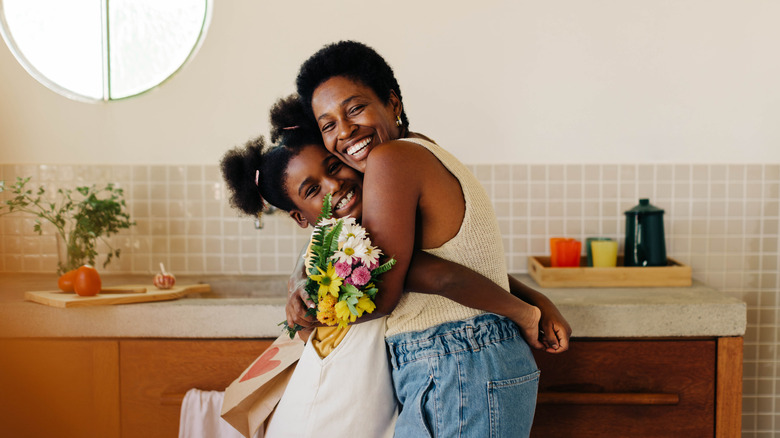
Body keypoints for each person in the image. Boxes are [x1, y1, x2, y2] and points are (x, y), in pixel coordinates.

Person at [221, 96, 570, 437]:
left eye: (332, 167)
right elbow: (443, 276)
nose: (334, 185)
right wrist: (525, 312)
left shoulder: (380, 214)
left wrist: (535, 300)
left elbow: (459, 265)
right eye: (313, 189)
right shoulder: (352, 249)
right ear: (300, 217)